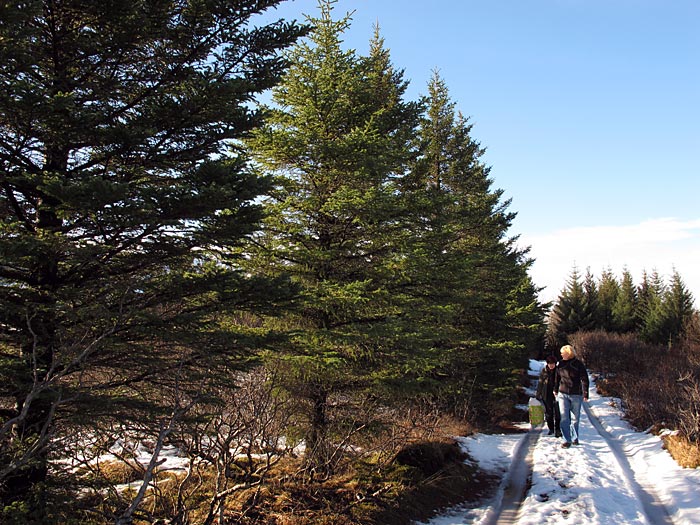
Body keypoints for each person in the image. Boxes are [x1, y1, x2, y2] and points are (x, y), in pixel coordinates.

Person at [554, 344, 589, 448]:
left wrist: (585, 393)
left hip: (576, 394)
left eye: (562, 352)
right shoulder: (560, 364)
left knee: (575, 418)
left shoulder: (578, 364)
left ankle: (574, 437)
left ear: (568, 353)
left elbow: (584, 379)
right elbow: (557, 378)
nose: (561, 354)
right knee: (564, 417)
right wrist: (555, 390)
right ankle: (566, 439)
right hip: (562, 393)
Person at [536, 355, 561, 437]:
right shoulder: (544, 371)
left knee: (558, 413)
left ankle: (558, 429)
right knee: (548, 413)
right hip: (546, 394)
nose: (551, 365)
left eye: (553, 364)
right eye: (550, 364)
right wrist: (538, 394)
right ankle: (551, 428)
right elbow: (540, 383)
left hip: (557, 393)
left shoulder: (559, 371)